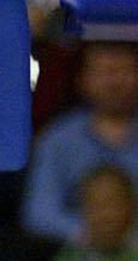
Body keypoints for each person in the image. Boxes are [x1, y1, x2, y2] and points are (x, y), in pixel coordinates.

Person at [23, 41, 138, 246]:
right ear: (83, 80)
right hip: (78, 252)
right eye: (105, 72)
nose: (115, 82)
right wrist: (98, 235)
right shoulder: (58, 139)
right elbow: (39, 213)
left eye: (124, 71)